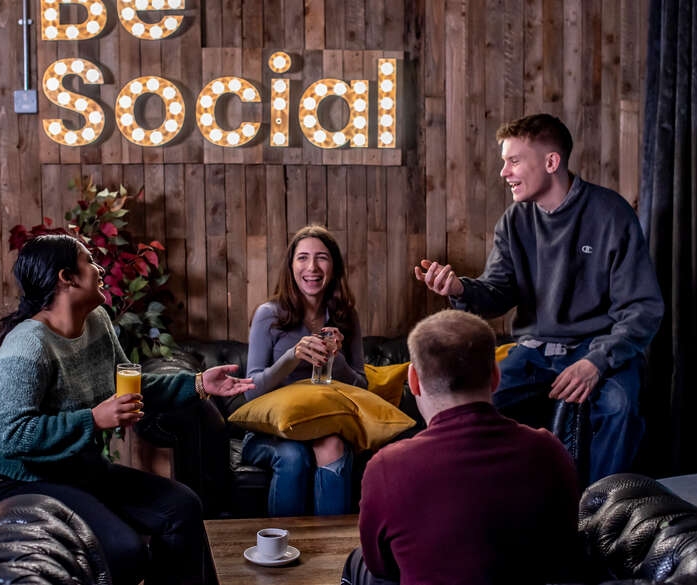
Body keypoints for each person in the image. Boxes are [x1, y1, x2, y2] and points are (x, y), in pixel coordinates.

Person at [0, 234, 254, 585]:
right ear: (66, 278)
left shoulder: (97, 320)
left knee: (182, 507)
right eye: (89, 261)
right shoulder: (26, 347)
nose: (99, 268)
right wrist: (94, 419)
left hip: (74, 469)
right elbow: (12, 437)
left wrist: (199, 384)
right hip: (13, 481)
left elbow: (128, 385)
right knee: (122, 551)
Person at [414, 113, 664, 482]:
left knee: (619, 405)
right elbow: (498, 291)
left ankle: (601, 515)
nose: (504, 172)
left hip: (597, 348)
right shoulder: (514, 221)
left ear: (551, 162)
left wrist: (596, 361)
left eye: (514, 161)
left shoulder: (611, 214)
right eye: (504, 162)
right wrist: (460, 289)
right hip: (533, 353)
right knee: (466, 408)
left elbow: (642, 308)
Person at [343, 310, 580, 585]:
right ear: (495, 376)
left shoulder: (384, 467)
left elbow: (379, 565)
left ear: (413, 381)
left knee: (358, 562)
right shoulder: (548, 451)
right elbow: (563, 555)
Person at [243, 225, 367, 516]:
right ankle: (283, 549)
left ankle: (332, 555)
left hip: (323, 423)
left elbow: (362, 388)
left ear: (333, 267)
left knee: (333, 446)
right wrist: (291, 356)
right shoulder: (269, 315)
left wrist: (338, 360)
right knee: (293, 455)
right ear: (291, 266)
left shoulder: (346, 317)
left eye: (322, 257)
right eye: (302, 258)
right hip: (271, 431)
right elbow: (251, 392)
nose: (312, 267)